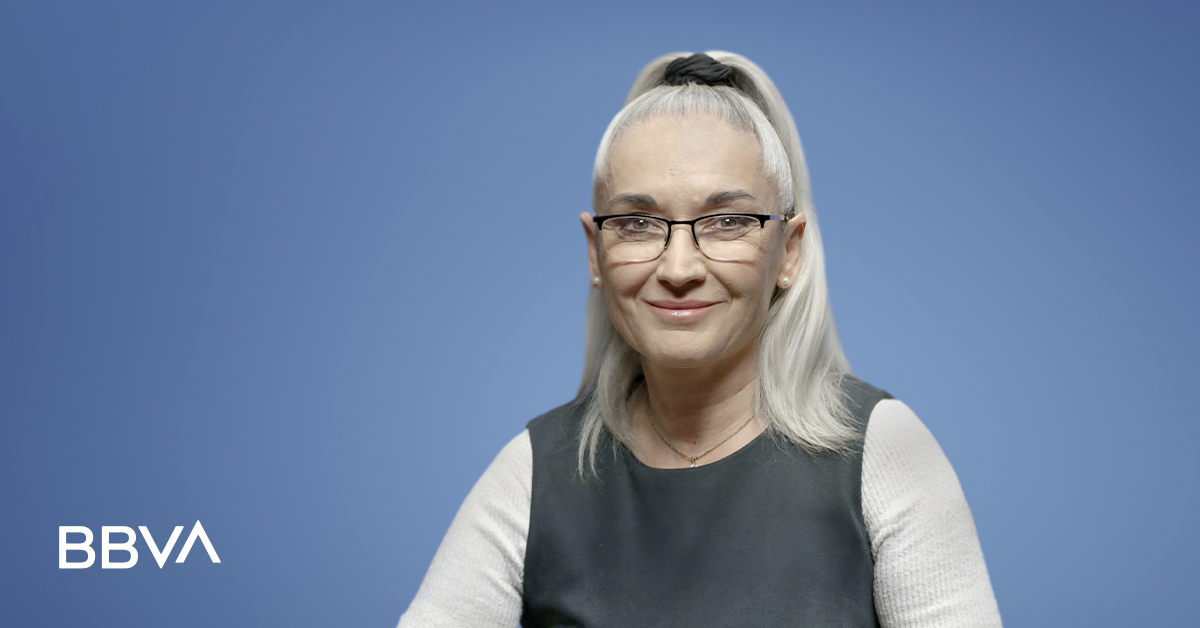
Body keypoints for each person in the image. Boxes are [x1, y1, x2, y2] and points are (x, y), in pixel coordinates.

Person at [398, 51, 1002, 627]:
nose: (679, 268)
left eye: (727, 221)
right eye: (637, 223)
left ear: (789, 251)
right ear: (595, 252)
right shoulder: (534, 471)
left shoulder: (883, 451)